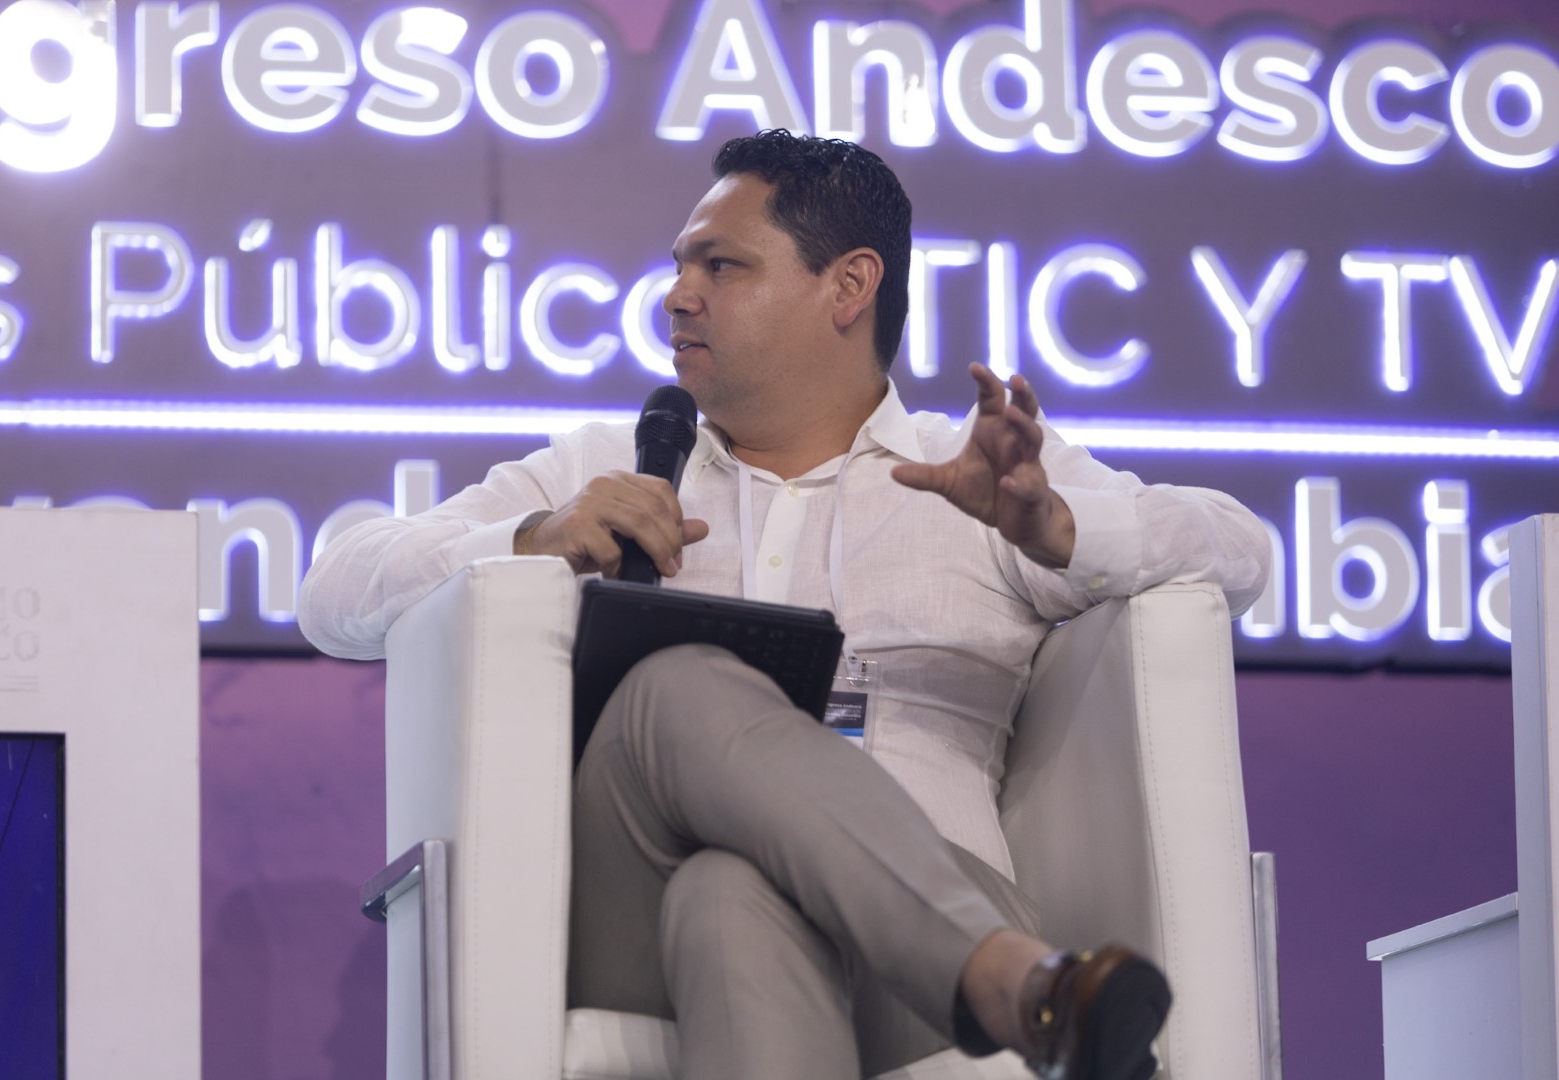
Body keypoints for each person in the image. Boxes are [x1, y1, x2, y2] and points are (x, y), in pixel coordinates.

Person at [300, 130, 1271, 1080]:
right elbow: (334, 591)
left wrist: (1057, 527)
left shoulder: (969, 473)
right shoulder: (601, 470)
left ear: (848, 286)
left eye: (720, 266)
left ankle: (975, 953)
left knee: (730, 890)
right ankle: (1011, 979)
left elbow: (1239, 547)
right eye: (680, 266)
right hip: (642, 915)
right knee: (678, 685)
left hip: (908, 945)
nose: (677, 296)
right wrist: (533, 536)